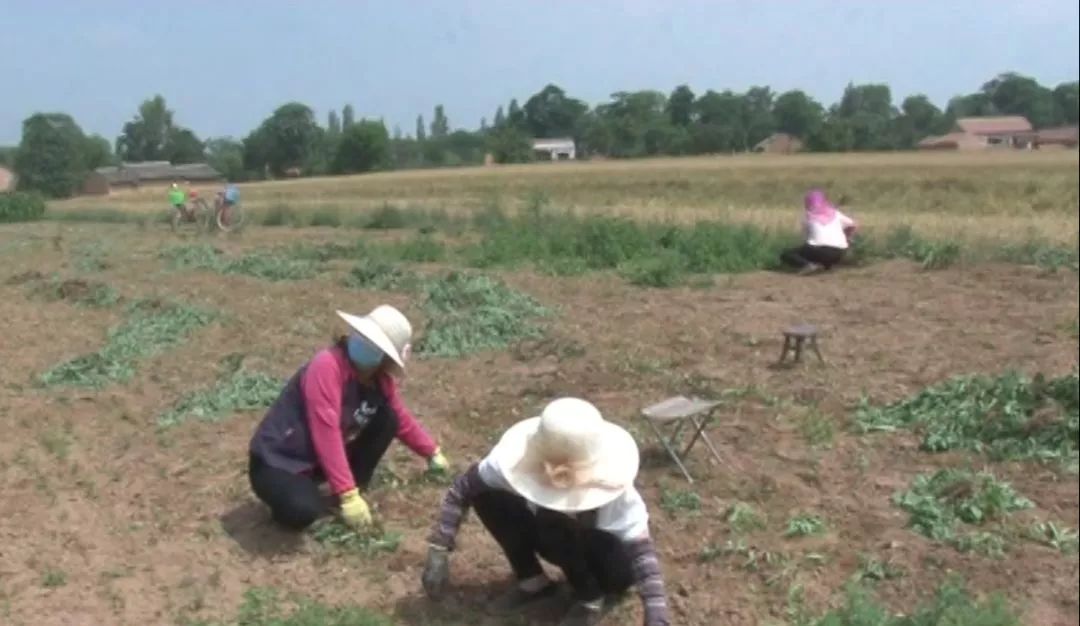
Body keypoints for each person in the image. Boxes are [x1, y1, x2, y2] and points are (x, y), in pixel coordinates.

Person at [421, 397, 670, 626]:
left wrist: (656, 616)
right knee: (488, 497)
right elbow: (463, 489)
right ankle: (533, 582)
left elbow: (641, 555)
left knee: (557, 522)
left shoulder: (615, 491)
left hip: (608, 564)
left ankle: (590, 597)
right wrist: (440, 546)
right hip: (558, 540)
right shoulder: (513, 465)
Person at [248, 305, 449, 531]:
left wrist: (432, 452)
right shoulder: (327, 365)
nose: (363, 344)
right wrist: (347, 493)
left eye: (373, 344)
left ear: (385, 357)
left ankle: (350, 488)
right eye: (362, 337)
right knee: (301, 511)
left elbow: (401, 420)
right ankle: (337, 495)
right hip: (278, 461)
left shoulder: (380, 383)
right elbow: (326, 431)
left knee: (388, 418)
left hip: (315, 461)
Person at [780, 189, 857, 274]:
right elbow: (852, 224)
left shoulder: (808, 217)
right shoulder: (836, 213)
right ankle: (826, 268)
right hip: (840, 252)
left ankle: (807, 265)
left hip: (819, 251)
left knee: (787, 254)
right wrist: (847, 236)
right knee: (821, 250)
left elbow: (807, 239)